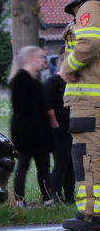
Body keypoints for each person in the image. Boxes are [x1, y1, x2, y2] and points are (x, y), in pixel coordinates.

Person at [60, 0, 100, 231]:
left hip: (89, 103)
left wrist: (67, 68)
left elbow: (89, 45)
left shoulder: (90, 7)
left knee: (86, 156)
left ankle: (90, 214)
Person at [9, 46, 53, 206]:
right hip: (27, 134)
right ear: (30, 59)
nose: (43, 61)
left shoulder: (35, 81)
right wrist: (38, 126)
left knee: (43, 167)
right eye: (40, 57)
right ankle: (19, 200)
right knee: (23, 166)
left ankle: (48, 200)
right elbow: (23, 110)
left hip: (38, 134)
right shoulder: (20, 80)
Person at [44, 49, 74, 203]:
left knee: (71, 165)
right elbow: (48, 107)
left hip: (72, 129)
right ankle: (56, 196)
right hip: (58, 130)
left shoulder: (72, 82)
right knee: (60, 164)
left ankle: (70, 197)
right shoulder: (53, 82)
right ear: (62, 63)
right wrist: (57, 127)